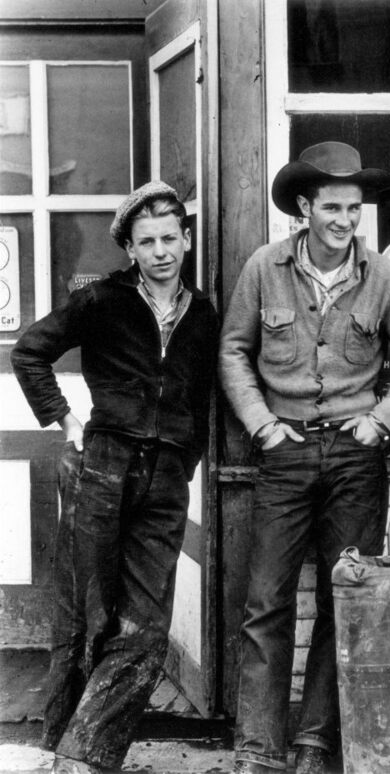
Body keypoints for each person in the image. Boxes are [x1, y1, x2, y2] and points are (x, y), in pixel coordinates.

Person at [219, 142, 390, 774]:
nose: (345, 220)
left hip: (354, 456)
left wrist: (382, 419)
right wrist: (261, 425)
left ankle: (316, 742)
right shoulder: (265, 267)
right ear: (305, 209)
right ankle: (260, 749)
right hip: (283, 453)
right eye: (332, 207)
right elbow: (234, 350)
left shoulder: (384, 278)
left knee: (346, 601)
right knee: (267, 601)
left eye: (354, 208)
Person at [11, 182, 219, 774]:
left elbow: (200, 398)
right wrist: (69, 425)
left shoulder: (201, 312)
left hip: (165, 481)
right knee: (87, 617)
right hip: (102, 467)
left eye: (169, 239)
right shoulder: (102, 300)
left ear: (185, 239)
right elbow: (30, 352)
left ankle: (86, 757)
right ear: (130, 248)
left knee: (145, 627)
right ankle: (62, 747)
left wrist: (184, 465)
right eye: (146, 241)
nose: (160, 252)